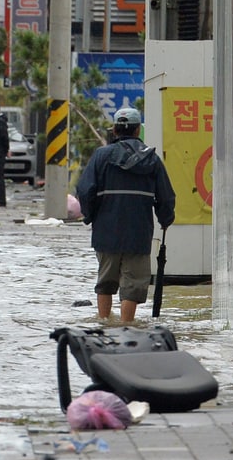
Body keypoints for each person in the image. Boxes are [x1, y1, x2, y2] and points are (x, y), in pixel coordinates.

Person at [74, 107, 176, 324]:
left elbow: (84, 190)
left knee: (106, 282)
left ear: (115, 130)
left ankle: (103, 322)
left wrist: (90, 216)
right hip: (138, 232)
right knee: (133, 284)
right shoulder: (152, 159)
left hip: (106, 231)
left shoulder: (101, 156)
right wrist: (165, 219)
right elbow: (166, 197)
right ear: (138, 130)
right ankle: (126, 327)